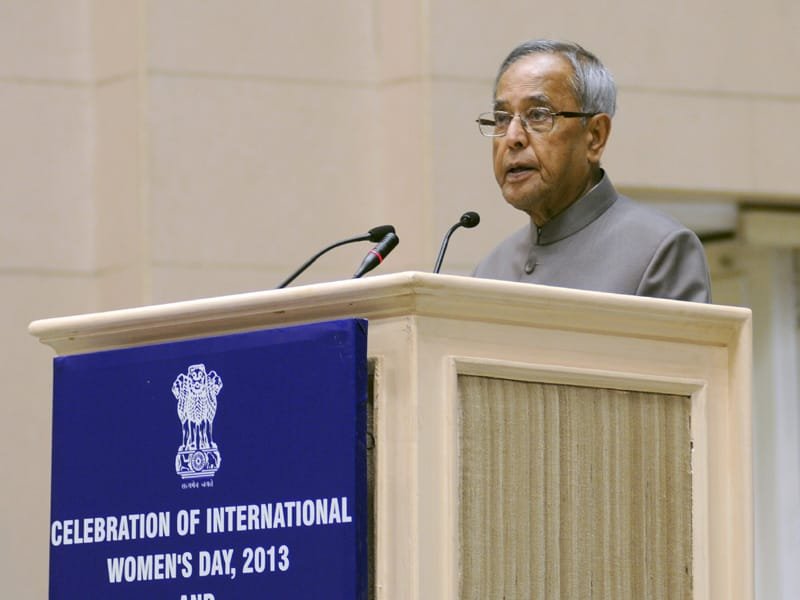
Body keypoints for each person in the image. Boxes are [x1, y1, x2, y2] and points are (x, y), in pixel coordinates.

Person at [473, 40, 711, 303]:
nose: (513, 137)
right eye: (503, 118)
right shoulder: (489, 272)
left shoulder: (659, 252)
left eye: (538, 115)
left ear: (595, 136)